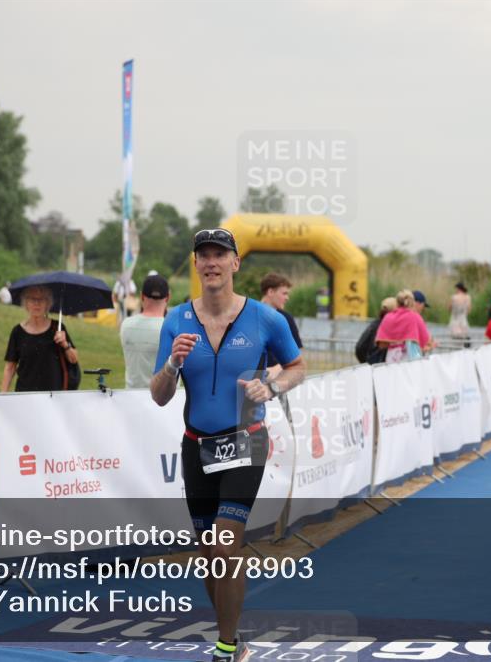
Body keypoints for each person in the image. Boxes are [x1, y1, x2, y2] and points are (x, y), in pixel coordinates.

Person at [150, 228, 305, 662]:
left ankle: (224, 648)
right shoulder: (176, 321)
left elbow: (297, 366)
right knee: (208, 553)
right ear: (196, 264)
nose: (212, 262)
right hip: (196, 445)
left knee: (224, 542)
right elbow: (159, 395)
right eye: (205, 256)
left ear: (236, 263)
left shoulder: (264, 318)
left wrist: (272, 388)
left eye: (221, 254)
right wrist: (171, 364)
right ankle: (233, 638)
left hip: (245, 442)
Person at [1, 285, 78, 392]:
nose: (37, 303)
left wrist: (65, 344)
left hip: (53, 395)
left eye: (41, 299)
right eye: (32, 299)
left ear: (48, 304)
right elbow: (10, 367)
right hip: (24, 395)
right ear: (26, 303)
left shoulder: (57, 328)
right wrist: (2, 396)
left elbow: (73, 359)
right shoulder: (17, 332)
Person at [120, 274, 171, 389]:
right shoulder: (173, 329)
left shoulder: (126, 325)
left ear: (142, 296)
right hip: (164, 401)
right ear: (167, 297)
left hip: (132, 398)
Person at [259, 273, 304, 381]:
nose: (287, 298)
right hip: (250, 381)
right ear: (270, 292)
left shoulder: (287, 318)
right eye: (284, 293)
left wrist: (276, 369)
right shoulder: (247, 314)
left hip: (279, 382)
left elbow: (298, 354)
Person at [376, 289, 432, 362]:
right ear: (412, 302)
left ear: (397, 302)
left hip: (391, 358)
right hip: (407, 359)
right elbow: (425, 341)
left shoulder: (388, 317)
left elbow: (381, 344)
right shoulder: (415, 317)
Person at [355, 297, 397, 364]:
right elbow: (360, 347)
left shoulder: (374, 324)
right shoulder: (382, 327)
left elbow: (360, 347)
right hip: (378, 366)